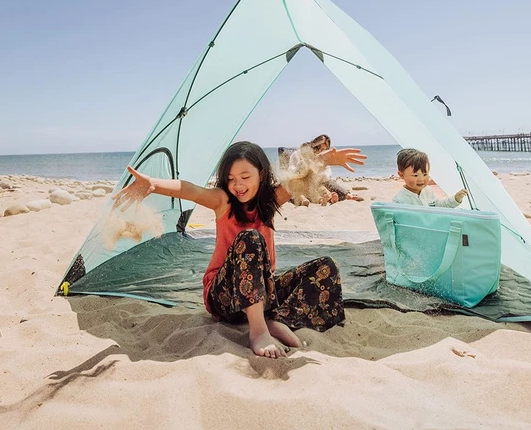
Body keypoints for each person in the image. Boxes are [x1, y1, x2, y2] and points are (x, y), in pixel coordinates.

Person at [112, 140, 366, 359]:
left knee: (326, 267)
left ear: (262, 175)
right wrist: (153, 185)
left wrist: (325, 159)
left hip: (262, 293)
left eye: (245, 177)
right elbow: (191, 190)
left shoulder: (270, 201)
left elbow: (301, 176)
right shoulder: (223, 202)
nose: (238, 185)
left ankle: (277, 321)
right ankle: (258, 331)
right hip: (224, 297)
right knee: (250, 238)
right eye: (231, 179)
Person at [284, 134, 364, 205]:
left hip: (315, 184)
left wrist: (320, 167)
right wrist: (304, 165)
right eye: (318, 147)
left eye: (323, 150)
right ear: (313, 144)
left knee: (325, 184)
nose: (319, 151)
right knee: (297, 187)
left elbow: (326, 176)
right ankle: (307, 200)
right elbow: (291, 171)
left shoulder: (323, 159)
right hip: (299, 183)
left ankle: (346, 195)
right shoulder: (298, 154)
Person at [392, 148, 468, 208]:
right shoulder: (399, 201)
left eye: (425, 174)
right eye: (415, 175)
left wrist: (455, 199)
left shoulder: (428, 191)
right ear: (402, 175)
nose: (421, 179)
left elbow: (439, 206)